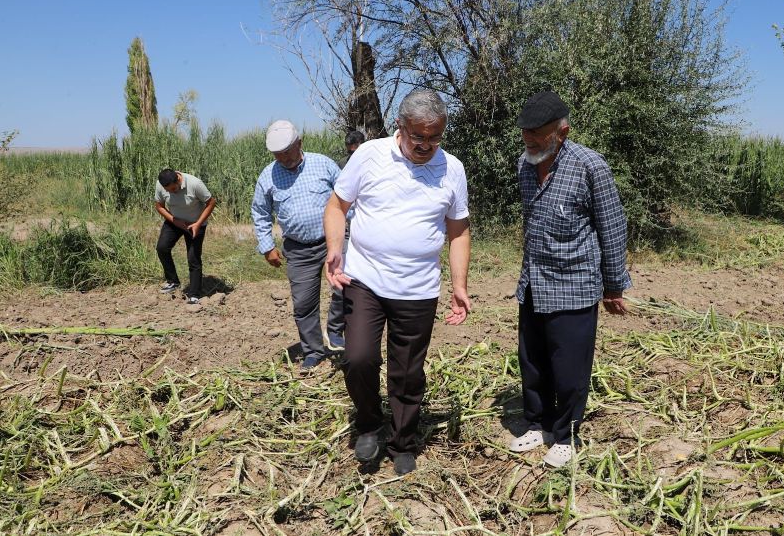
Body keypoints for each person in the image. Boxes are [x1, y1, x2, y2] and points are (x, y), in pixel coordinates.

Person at [324, 89, 472, 475]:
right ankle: (370, 422)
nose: (426, 145)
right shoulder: (369, 155)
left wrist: (459, 285)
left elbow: (458, 231)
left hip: (418, 288)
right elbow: (337, 205)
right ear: (400, 127)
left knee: (408, 371)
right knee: (359, 358)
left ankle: (403, 439)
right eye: (418, 136)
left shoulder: (452, 168)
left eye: (435, 137)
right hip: (365, 278)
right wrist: (335, 248)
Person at [508, 91, 632, 468]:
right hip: (534, 282)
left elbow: (611, 227)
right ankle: (537, 423)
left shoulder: (590, 166)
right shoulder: (524, 165)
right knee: (532, 360)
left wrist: (613, 286)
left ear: (562, 132)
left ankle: (566, 434)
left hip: (575, 283)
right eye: (526, 133)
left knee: (569, 367)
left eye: (539, 134)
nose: (530, 140)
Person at [252, 120, 346, 370]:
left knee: (345, 289)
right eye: (277, 154)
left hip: (333, 242)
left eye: (287, 152)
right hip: (298, 249)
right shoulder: (268, 176)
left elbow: (348, 197)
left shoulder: (323, 164)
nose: (283, 158)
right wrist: (267, 246)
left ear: (299, 143)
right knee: (304, 304)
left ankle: (336, 331)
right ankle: (313, 351)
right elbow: (260, 212)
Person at [154, 168, 216, 304]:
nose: (171, 192)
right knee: (162, 248)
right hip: (174, 221)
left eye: (173, 189)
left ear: (178, 179)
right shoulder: (161, 184)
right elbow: (159, 206)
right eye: (168, 190)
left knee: (193, 258)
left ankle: (194, 294)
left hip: (195, 224)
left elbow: (211, 202)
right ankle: (173, 281)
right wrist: (174, 220)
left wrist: (198, 223)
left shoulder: (195, 184)